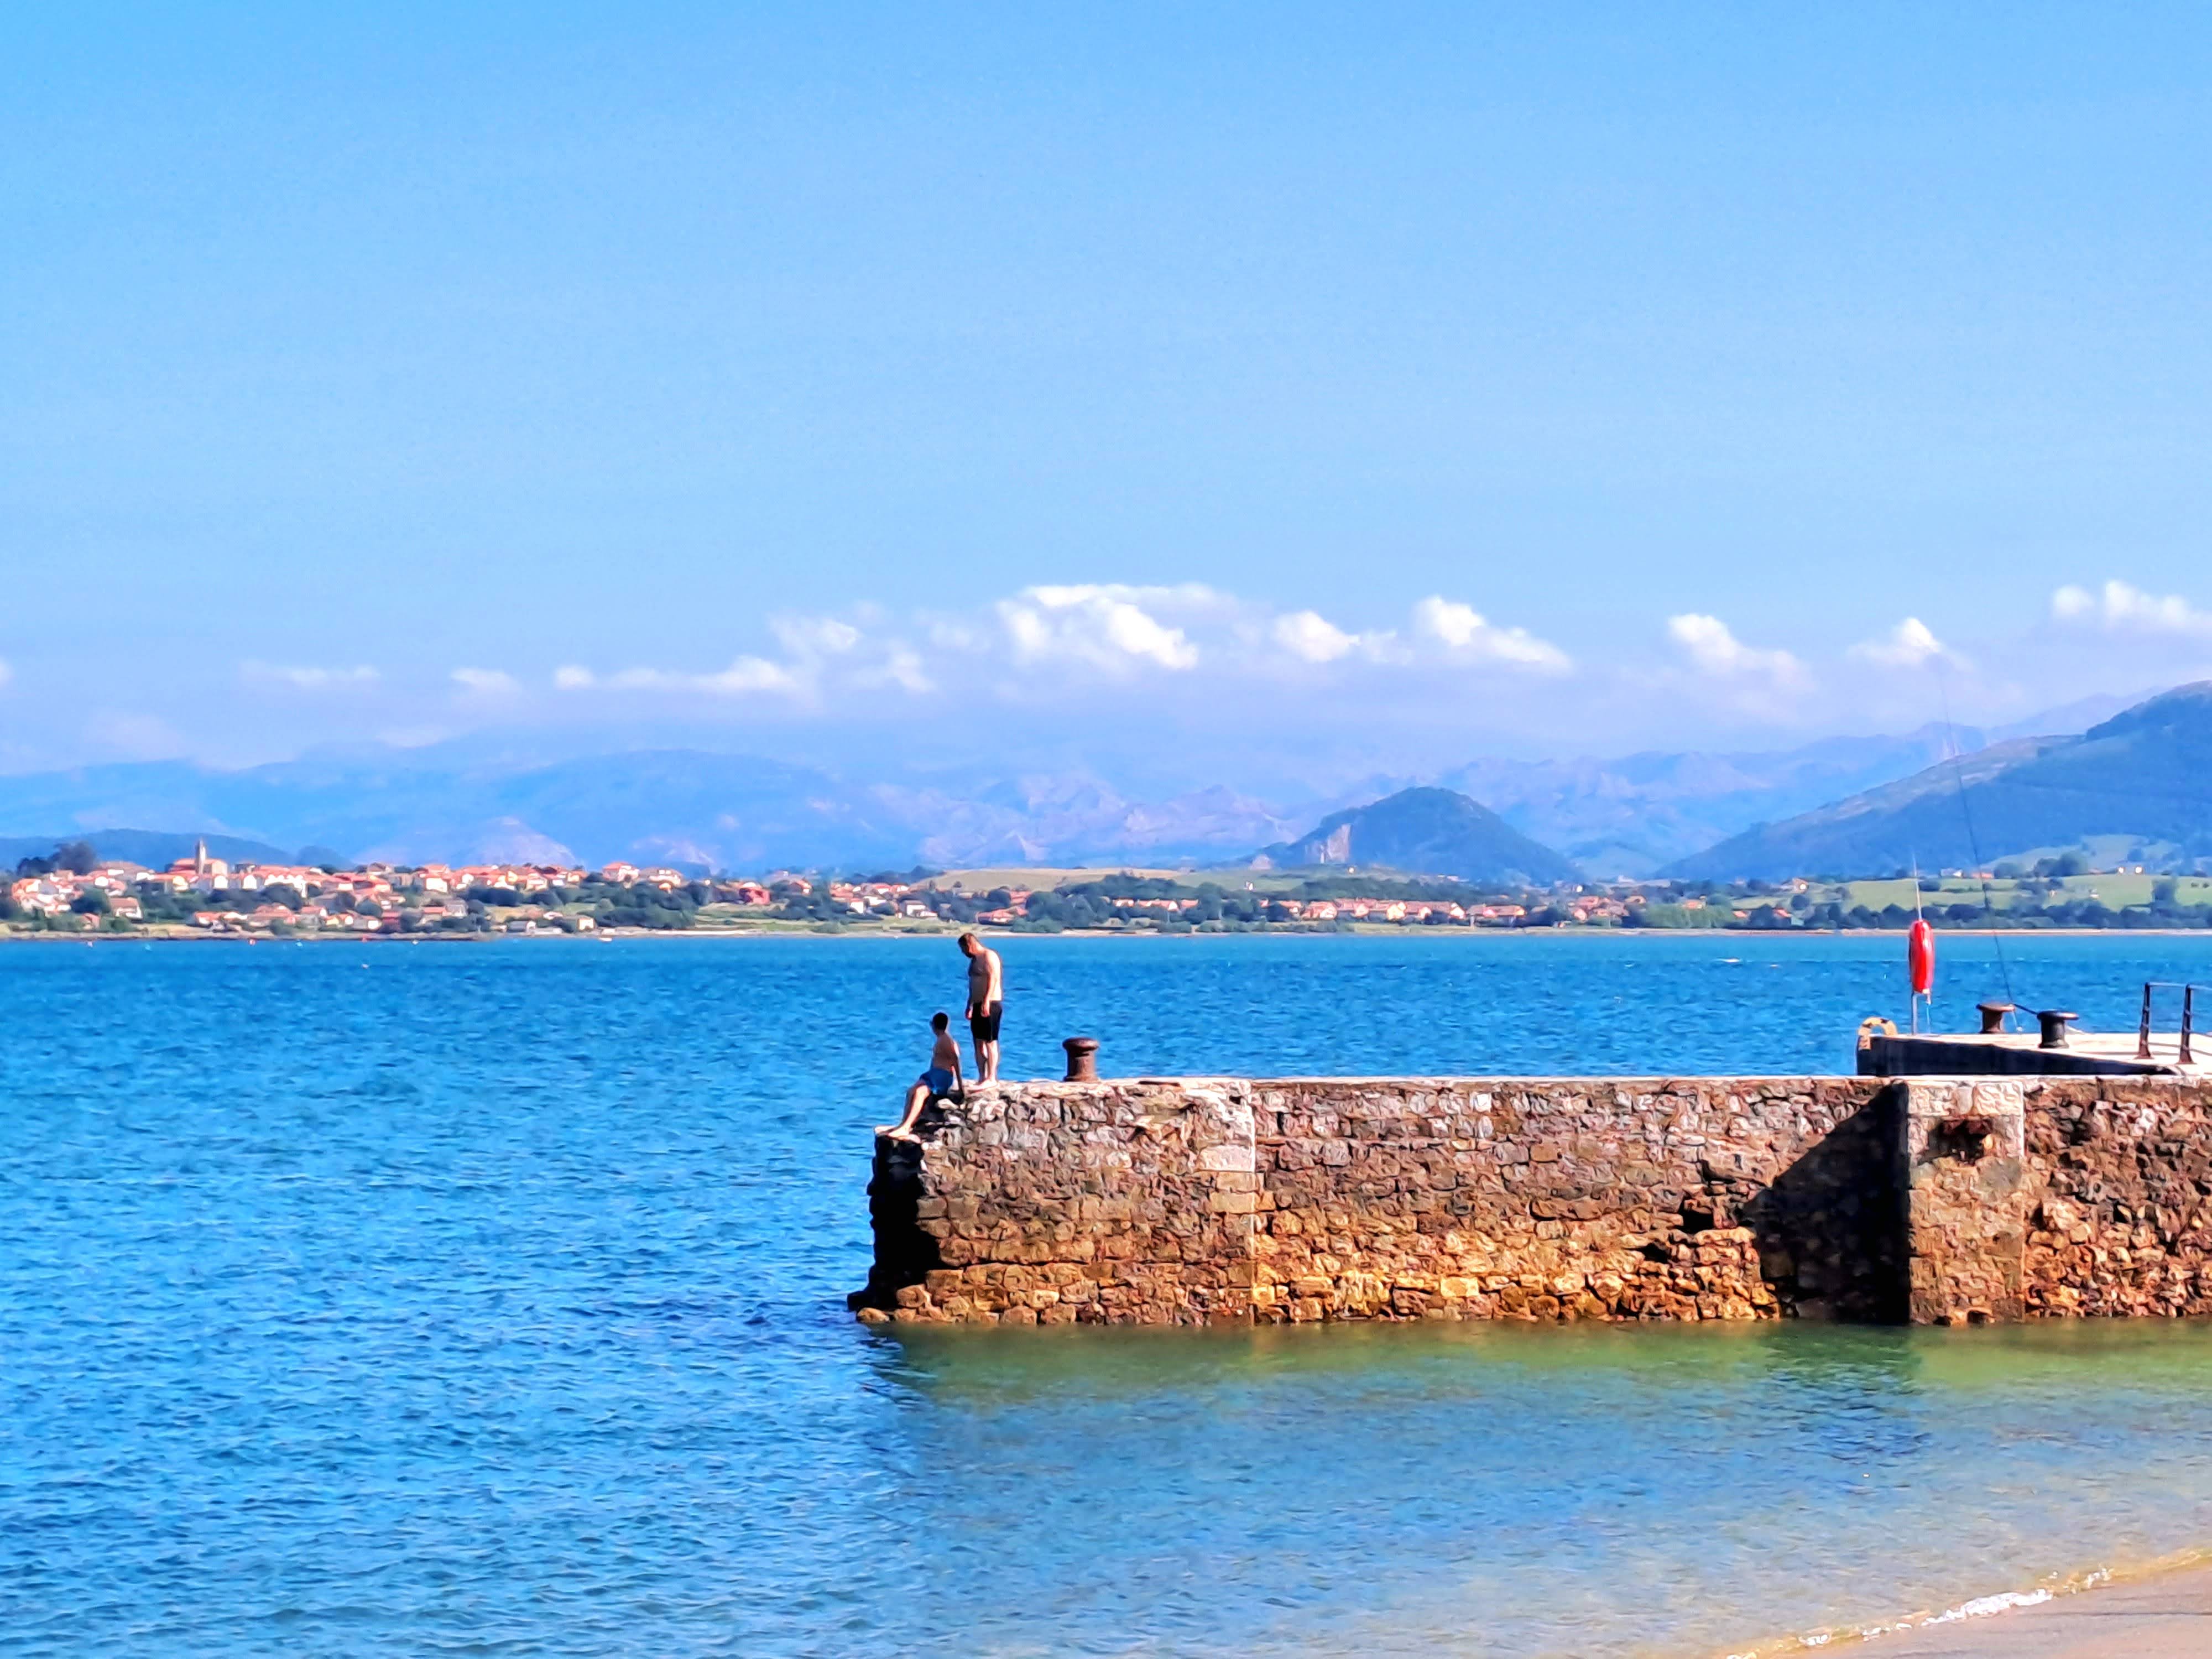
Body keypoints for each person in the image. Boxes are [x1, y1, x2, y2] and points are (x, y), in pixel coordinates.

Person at [878, 1011, 964, 1140]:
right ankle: (904, 1125)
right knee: (911, 1091)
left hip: (941, 1077)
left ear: (934, 1026)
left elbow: (955, 1061)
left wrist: (960, 1086)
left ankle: (907, 1127)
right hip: (934, 1074)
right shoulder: (942, 1040)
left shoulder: (947, 1041)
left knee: (920, 1092)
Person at [959, 931, 1003, 1084]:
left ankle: (992, 1077)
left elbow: (993, 978)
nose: (964, 953)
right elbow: (973, 985)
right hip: (977, 1004)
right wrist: (970, 1005)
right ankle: (982, 1077)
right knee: (978, 1042)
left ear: (969, 945)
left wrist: (986, 1001)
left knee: (990, 1041)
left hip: (991, 1003)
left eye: (964, 949)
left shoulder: (989, 956)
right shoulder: (974, 960)